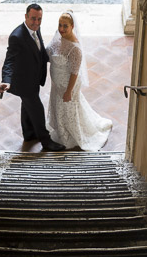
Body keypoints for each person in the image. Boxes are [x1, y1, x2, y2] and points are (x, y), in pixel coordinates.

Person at [0, 4, 66, 151]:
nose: (36, 22)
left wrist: (54, 58)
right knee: (36, 109)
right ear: (26, 17)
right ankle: (46, 142)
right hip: (24, 82)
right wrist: (6, 80)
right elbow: (9, 61)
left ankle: (29, 134)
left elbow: (38, 50)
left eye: (39, 19)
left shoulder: (36, 29)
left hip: (34, 77)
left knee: (27, 106)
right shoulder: (17, 36)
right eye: (33, 19)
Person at [45, 10, 112, 151]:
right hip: (57, 85)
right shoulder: (57, 38)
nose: (61, 29)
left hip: (68, 85)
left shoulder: (75, 48)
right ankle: (60, 129)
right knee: (59, 108)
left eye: (65, 26)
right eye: (60, 25)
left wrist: (69, 91)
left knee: (68, 110)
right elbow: (49, 50)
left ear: (72, 26)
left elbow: (75, 73)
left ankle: (70, 135)